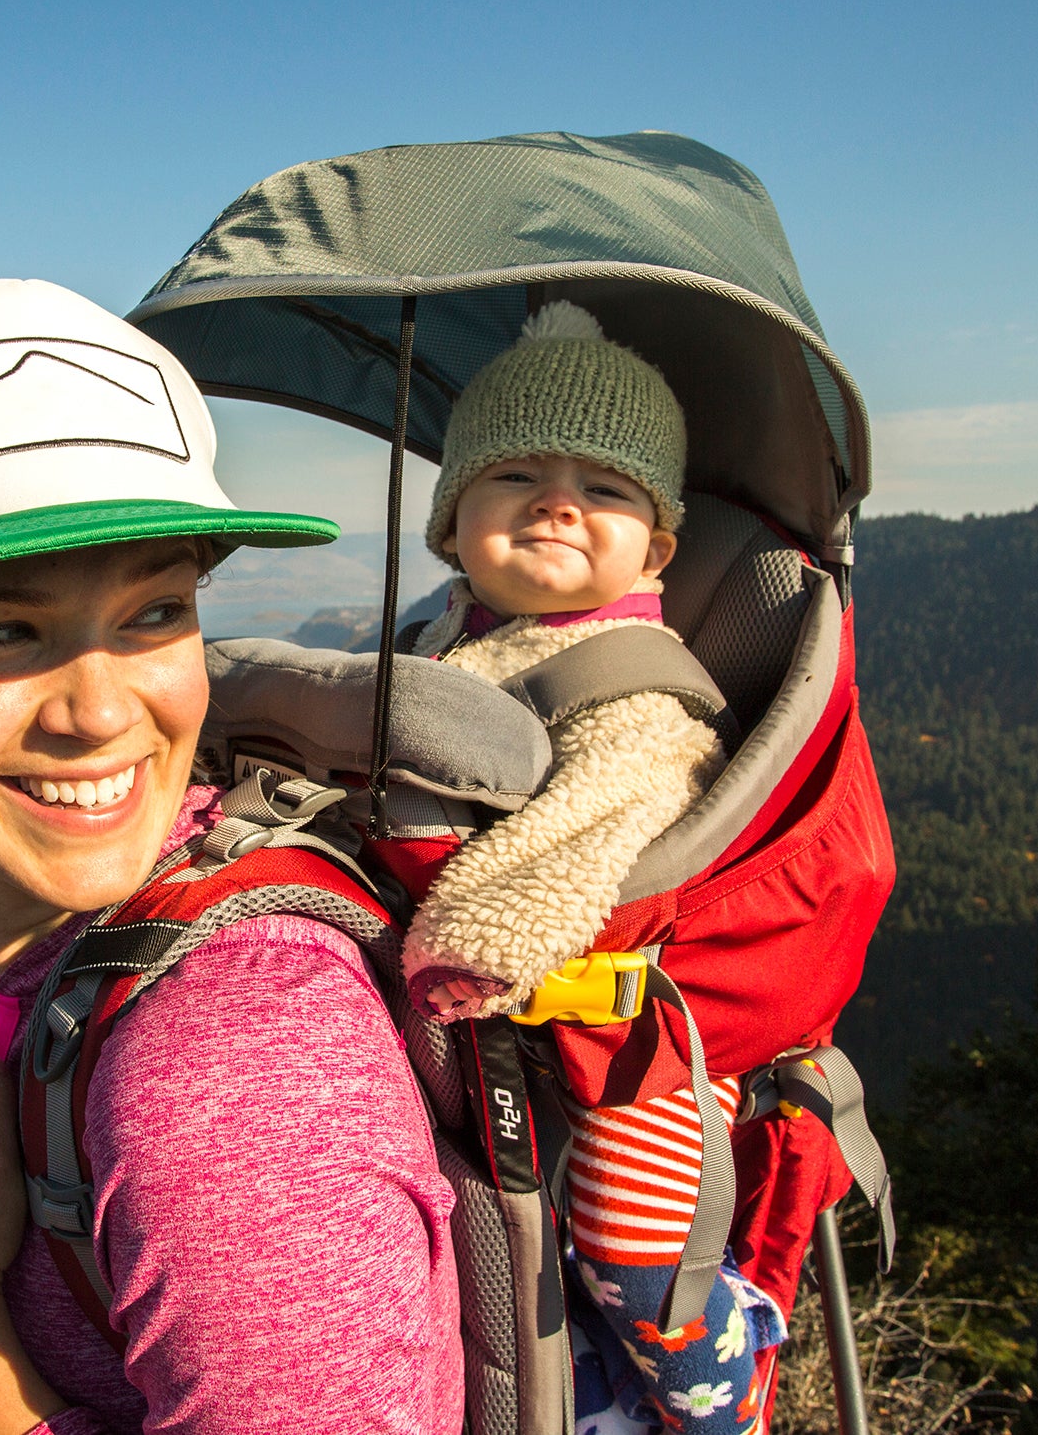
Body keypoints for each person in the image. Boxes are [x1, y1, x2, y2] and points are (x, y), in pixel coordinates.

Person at [0, 279, 462, 1435]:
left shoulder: (229, 1069)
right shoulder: (25, 931)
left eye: (156, 611)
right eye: (2, 629)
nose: (101, 712)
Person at [399, 303, 784, 1432]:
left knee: (634, 1245)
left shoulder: (635, 686)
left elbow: (593, 839)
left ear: (656, 550)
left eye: (606, 489)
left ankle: (722, 1390)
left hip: (636, 1048)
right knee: (516, 1262)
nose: (558, 501)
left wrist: (470, 942)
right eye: (515, 471)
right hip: (526, 1041)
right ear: (450, 521)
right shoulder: (448, 642)